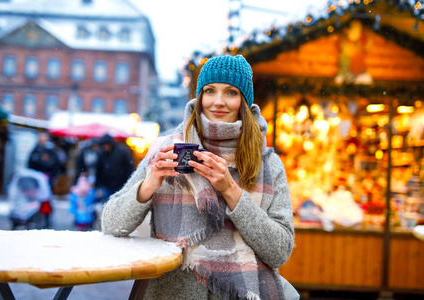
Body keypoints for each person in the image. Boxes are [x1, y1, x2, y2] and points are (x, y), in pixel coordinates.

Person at [101, 55, 298, 300]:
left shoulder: (268, 164)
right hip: (170, 291)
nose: (218, 102)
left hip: (239, 293)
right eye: (209, 91)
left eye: (231, 93)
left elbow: (279, 251)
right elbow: (111, 224)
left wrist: (231, 191)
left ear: (244, 101)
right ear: (199, 96)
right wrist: (149, 184)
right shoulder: (166, 149)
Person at [95, 133, 134, 202]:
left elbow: (129, 167)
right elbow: (99, 170)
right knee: (108, 203)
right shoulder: (101, 154)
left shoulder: (122, 152)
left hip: (121, 185)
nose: (106, 147)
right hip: (107, 185)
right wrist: (98, 184)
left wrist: (129, 181)